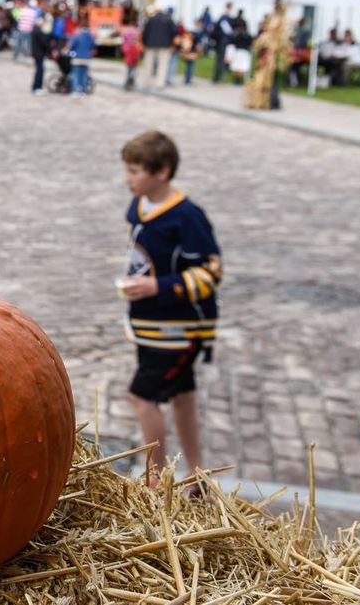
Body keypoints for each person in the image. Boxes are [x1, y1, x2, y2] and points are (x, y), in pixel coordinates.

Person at [117, 130, 222, 491]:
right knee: (182, 396)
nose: (128, 179)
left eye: (134, 171)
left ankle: (156, 483)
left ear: (160, 172)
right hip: (150, 323)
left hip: (178, 330)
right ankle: (197, 475)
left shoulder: (187, 217)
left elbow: (211, 270)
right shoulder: (139, 205)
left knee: (143, 397)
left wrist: (157, 286)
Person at [141, 6, 176, 90]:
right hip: (164, 46)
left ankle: (146, 83)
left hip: (150, 45)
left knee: (148, 65)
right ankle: (159, 84)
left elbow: (145, 32)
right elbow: (174, 32)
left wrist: (144, 43)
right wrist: (172, 44)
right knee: (162, 65)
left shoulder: (151, 19)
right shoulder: (169, 20)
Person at [66, 15, 96, 97]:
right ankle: (83, 91)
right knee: (84, 75)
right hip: (86, 58)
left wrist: (69, 52)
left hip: (77, 57)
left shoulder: (77, 35)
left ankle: (75, 90)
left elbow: (72, 45)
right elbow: (93, 45)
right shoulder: (90, 35)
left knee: (76, 75)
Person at [213, 3, 234, 84]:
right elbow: (228, 30)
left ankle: (217, 76)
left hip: (220, 41)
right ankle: (218, 77)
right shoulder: (225, 17)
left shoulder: (223, 17)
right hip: (223, 41)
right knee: (221, 60)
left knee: (219, 59)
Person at [121, 21, 142, 90]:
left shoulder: (126, 31)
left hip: (127, 51)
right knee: (133, 69)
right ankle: (130, 81)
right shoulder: (137, 32)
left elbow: (124, 39)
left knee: (129, 69)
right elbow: (138, 42)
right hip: (134, 55)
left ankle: (128, 81)